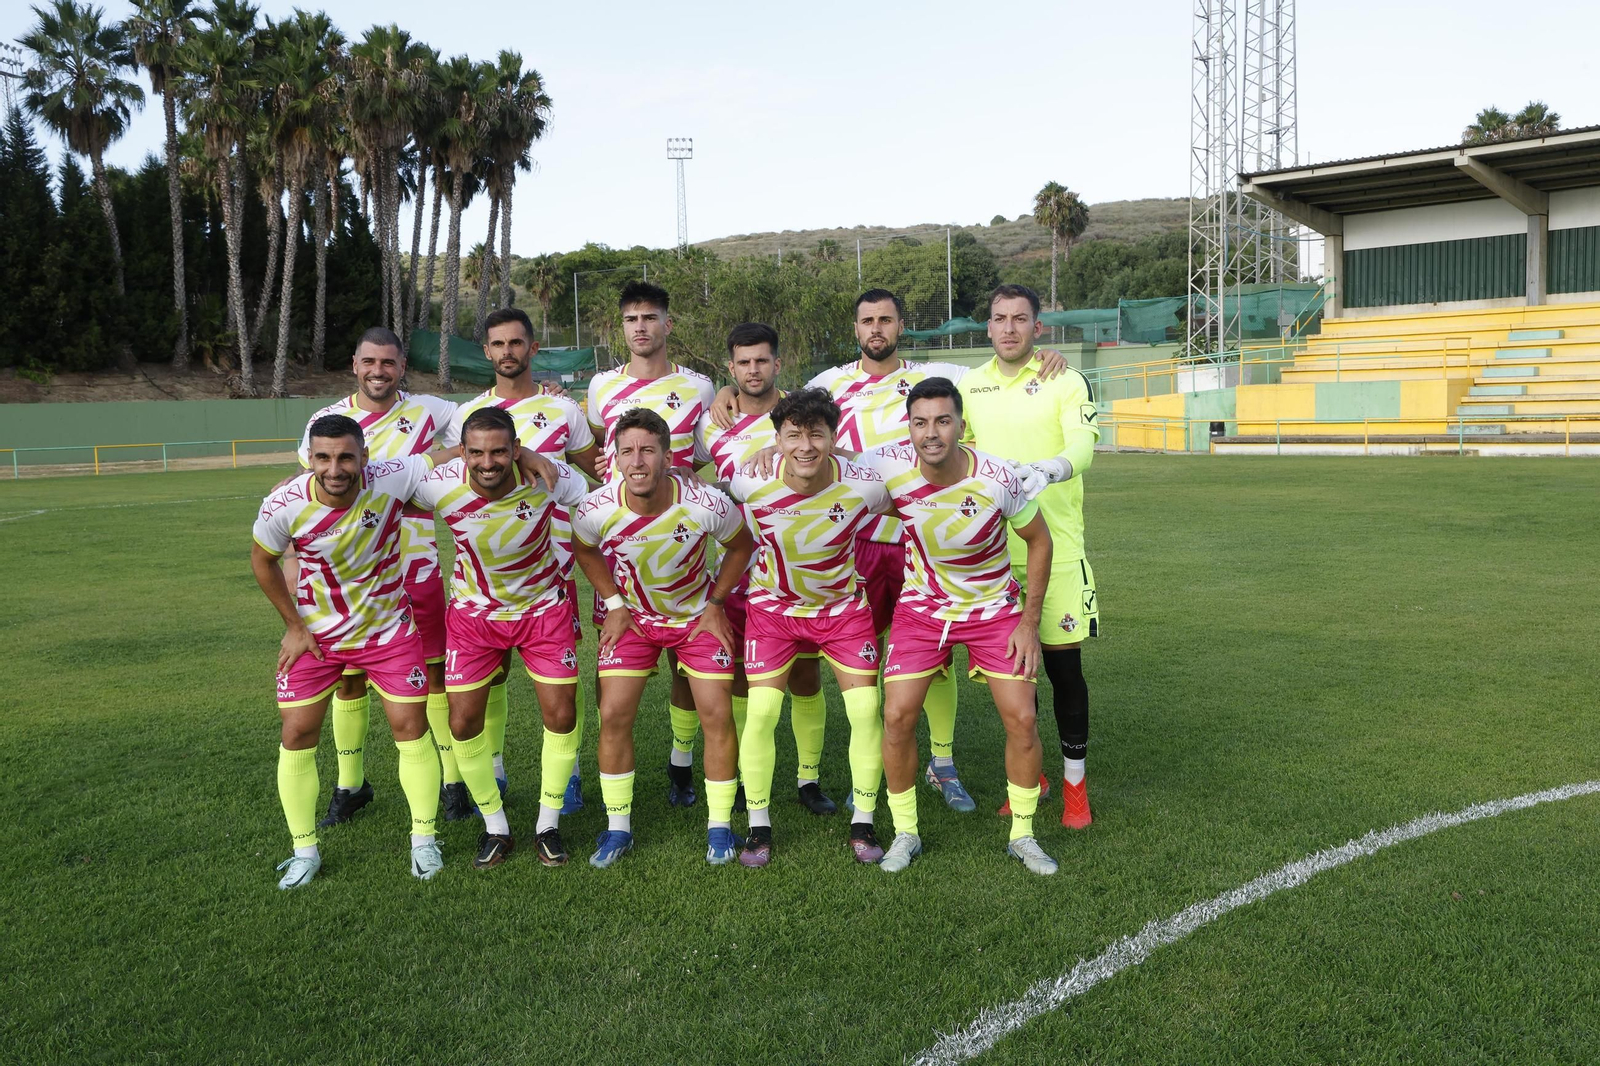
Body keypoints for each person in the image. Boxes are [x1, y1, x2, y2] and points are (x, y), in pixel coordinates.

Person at [720, 291, 1069, 811]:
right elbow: (785, 409)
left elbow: (1000, 358)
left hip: (915, 539)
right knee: (876, 673)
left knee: (937, 664)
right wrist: (732, 394)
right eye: (867, 321)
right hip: (857, 538)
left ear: (901, 325)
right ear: (856, 328)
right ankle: (816, 779)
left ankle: (942, 763)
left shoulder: (938, 372)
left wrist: (1044, 358)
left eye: (885, 319)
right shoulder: (829, 382)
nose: (876, 328)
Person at [252, 415, 453, 889]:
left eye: (345, 457)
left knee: (410, 726)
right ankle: (304, 852)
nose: (335, 468)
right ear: (311, 459)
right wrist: (294, 625)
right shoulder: (283, 505)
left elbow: (453, 454)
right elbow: (262, 560)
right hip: (317, 638)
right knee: (297, 731)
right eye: (323, 458)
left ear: (365, 457)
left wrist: (522, 454)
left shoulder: (391, 477)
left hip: (387, 632)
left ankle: (423, 841)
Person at [870, 379, 1058, 875]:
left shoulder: (997, 477)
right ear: (908, 428)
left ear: (961, 425)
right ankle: (905, 832)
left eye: (942, 420)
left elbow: (1040, 542)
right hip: (922, 610)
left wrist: (1029, 622)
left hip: (994, 610)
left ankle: (1023, 835)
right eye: (920, 422)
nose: (931, 433)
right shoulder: (888, 468)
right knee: (896, 717)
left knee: (1022, 718)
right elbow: (824, 458)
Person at [572, 409, 756, 868]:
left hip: (695, 618)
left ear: (667, 456)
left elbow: (741, 545)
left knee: (717, 712)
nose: (637, 461)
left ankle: (718, 827)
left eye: (648, 450)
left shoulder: (705, 503)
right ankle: (617, 831)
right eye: (627, 451)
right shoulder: (596, 508)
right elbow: (583, 548)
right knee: (613, 712)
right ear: (614, 458)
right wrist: (614, 605)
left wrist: (715, 604)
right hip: (633, 619)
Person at [411, 406, 590, 869]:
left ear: (515, 450)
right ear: (463, 453)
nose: (487, 462)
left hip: (543, 610)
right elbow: (374, 479)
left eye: (498, 451)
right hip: (474, 616)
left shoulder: (547, 477)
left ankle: (547, 826)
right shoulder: (439, 483)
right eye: (476, 453)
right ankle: (496, 827)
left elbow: (592, 496)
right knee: (461, 723)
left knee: (561, 713)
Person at [296, 328, 458, 829]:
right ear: (354, 363)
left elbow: (492, 419)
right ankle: (351, 784)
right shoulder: (326, 422)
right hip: (350, 578)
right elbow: (314, 492)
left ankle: (452, 782)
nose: (378, 371)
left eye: (388, 362)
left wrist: (553, 392)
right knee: (348, 680)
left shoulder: (432, 411)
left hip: (416, 566)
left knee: (433, 676)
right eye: (370, 361)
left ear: (402, 365)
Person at [727, 388, 893, 866]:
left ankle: (863, 820)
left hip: (842, 609)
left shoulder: (864, 484)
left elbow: (914, 510)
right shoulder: (748, 480)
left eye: (816, 435)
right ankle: (758, 827)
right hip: (772, 610)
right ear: (776, 439)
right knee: (760, 713)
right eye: (792, 435)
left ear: (832, 437)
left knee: (865, 711)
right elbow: (710, 508)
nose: (805, 446)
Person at [447, 307, 601, 820]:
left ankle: (571, 775)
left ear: (533, 348)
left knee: (556, 689)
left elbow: (592, 474)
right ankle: (492, 768)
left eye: (517, 343)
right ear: (486, 352)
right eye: (497, 344)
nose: (507, 352)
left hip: (554, 568)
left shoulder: (563, 410)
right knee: (488, 677)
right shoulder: (467, 409)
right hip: (491, 571)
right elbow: (459, 463)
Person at [960, 284, 1101, 828]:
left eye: (1021, 319)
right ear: (988, 327)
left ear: (1038, 328)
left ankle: (1074, 788)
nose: (1010, 328)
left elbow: (1084, 446)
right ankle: (1032, 777)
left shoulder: (1063, 377)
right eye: (1000, 319)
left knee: (1064, 671)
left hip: (1058, 551)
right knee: (1016, 679)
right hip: (992, 556)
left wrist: (1047, 470)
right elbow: (958, 447)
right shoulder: (969, 385)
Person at [585, 281, 717, 808]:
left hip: (679, 538)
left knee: (685, 660)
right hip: (620, 548)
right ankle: (613, 770)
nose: (640, 326)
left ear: (668, 323)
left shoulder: (701, 387)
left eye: (649, 317)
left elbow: (705, 453)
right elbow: (595, 450)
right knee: (614, 657)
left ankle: (681, 763)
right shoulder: (600, 387)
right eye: (631, 319)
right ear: (623, 327)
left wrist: (679, 478)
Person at [696, 322, 834, 817]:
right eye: (743, 363)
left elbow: (834, 454)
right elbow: (686, 477)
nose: (754, 370)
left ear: (778, 363)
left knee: (804, 677)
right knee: (737, 679)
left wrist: (783, 447)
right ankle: (734, 776)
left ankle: (808, 779)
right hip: (740, 572)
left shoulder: (801, 414)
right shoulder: (711, 423)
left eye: (763, 360)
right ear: (730, 369)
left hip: (801, 573)